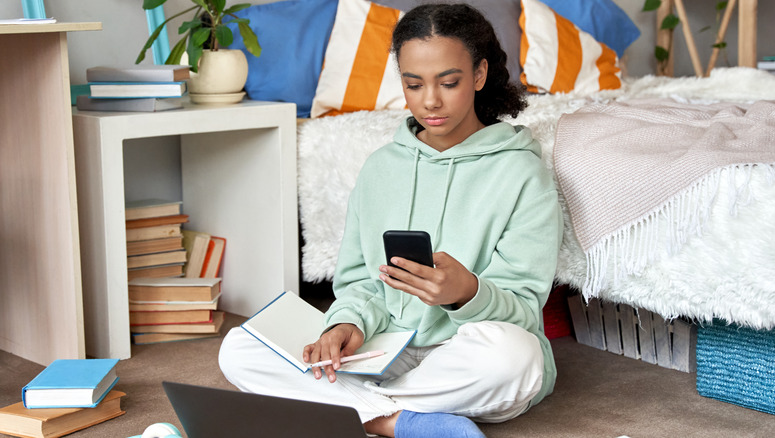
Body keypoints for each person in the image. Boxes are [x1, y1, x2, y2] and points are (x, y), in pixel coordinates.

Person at [218, 3, 563, 437]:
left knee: (516, 358)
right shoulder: (381, 168)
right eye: (413, 84)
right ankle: (399, 421)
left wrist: (466, 293)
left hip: (465, 351)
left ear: (478, 75)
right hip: (384, 349)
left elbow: (523, 310)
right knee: (240, 347)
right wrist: (348, 323)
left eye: (449, 82)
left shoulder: (521, 172)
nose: (430, 101)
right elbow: (360, 282)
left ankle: (355, 411)